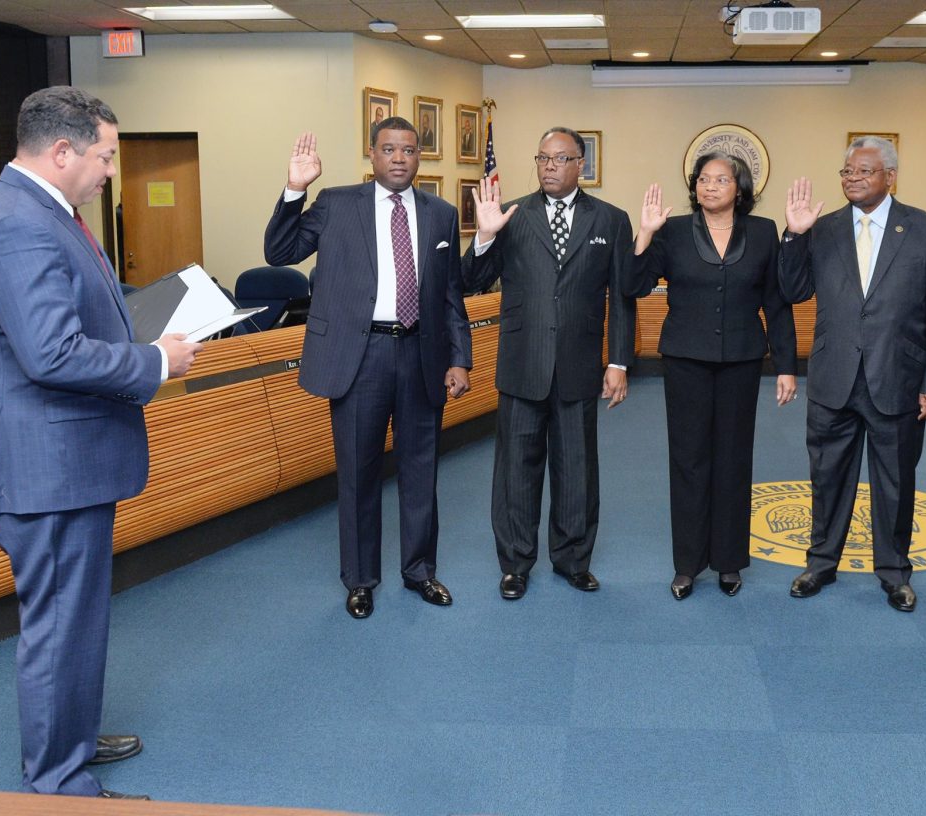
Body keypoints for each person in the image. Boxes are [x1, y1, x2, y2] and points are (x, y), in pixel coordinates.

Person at [0, 86, 201, 799]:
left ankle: (67, 737)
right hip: (48, 470)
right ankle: (58, 783)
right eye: (103, 157)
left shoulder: (41, 212)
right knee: (60, 628)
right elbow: (53, 355)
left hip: (66, 464)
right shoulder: (20, 225)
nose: (108, 173)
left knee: (75, 621)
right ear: (61, 151)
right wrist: (158, 360)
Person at [265, 118, 472, 620]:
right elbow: (280, 252)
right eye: (388, 149)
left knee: (421, 470)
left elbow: (450, 297)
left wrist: (459, 358)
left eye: (408, 149)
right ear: (372, 155)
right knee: (358, 473)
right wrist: (296, 187)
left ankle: (420, 570)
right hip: (360, 359)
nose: (399, 158)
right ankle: (360, 579)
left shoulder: (441, 215)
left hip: (421, 355)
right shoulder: (337, 204)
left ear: (419, 157)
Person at [778, 135, 926, 612]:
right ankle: (820, 563)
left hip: (897, 378)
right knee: (827, 476)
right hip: (834, 376)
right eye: (847, 172)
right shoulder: (823, 227)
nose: (852, 178)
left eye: (864, 171)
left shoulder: (925, 229)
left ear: (890, 177)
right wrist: (794, 235)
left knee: (895, 481)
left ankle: (895, 572)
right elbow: (793, 290)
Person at [463, 126, 635, 600]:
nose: (549, 167)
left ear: (582, 164)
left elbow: (621, 298)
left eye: (560, 159)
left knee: (577, 469)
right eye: (542, 159)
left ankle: (573, 559)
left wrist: (618, 361)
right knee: (516, 470)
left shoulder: (610, 220)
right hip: (523, 363)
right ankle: (515, 564)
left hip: (580, 365)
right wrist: (483, 234)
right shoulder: (512, 215)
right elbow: (471, 280)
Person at [627, 154, 797, 599]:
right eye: (703, 179)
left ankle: (728, 562)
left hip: (742, 359)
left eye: (721, 179)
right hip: (685, 360)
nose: (710, 186)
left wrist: (786, 366)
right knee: (688, 460)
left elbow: (777, 303)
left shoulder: (762, 232)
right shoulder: (674, 230)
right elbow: (635, 284)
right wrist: (644, 233)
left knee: (733, 461)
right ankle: (687, 564)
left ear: (739, 188)